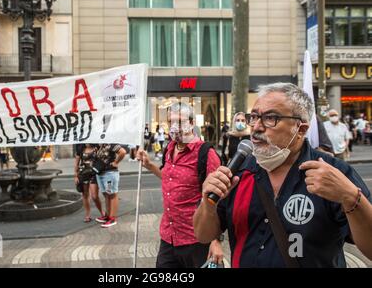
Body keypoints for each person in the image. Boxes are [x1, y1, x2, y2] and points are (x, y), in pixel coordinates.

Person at [193, 83, 372, 267]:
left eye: (271, 118)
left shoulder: (332, 173)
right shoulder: (237, 172)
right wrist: (207, 204)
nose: (256, 127)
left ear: (300, 129)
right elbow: (203, 235)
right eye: (253, 117)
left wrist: (351, 198)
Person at [137, 102, 224, 268]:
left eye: (180, 121)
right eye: (171, 122)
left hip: (196, 239)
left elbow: (218, 199)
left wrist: (215, 240)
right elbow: (169, 178)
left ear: (191, 123)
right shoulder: (169, 149)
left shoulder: (206, 153)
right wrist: (149, 165)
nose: (174, 126)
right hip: (169, 236)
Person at [94, 144, 126, 228]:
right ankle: (107, 216)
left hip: (109, 173)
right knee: (106, 194)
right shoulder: (101, 145)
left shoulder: (111, 144)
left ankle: (112, 218)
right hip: (101, 173)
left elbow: (122, 152)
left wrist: (116, 162)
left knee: (112, 194)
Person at [74, 144, 105, 223]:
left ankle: (102, 213)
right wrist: (76, 176)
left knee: (94, 196)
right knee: (85, 195)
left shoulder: (97, 147)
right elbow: (76, 163)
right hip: (83, 174)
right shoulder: (80, 147)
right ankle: (87, 215)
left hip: (94, 174)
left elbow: (102, 159)